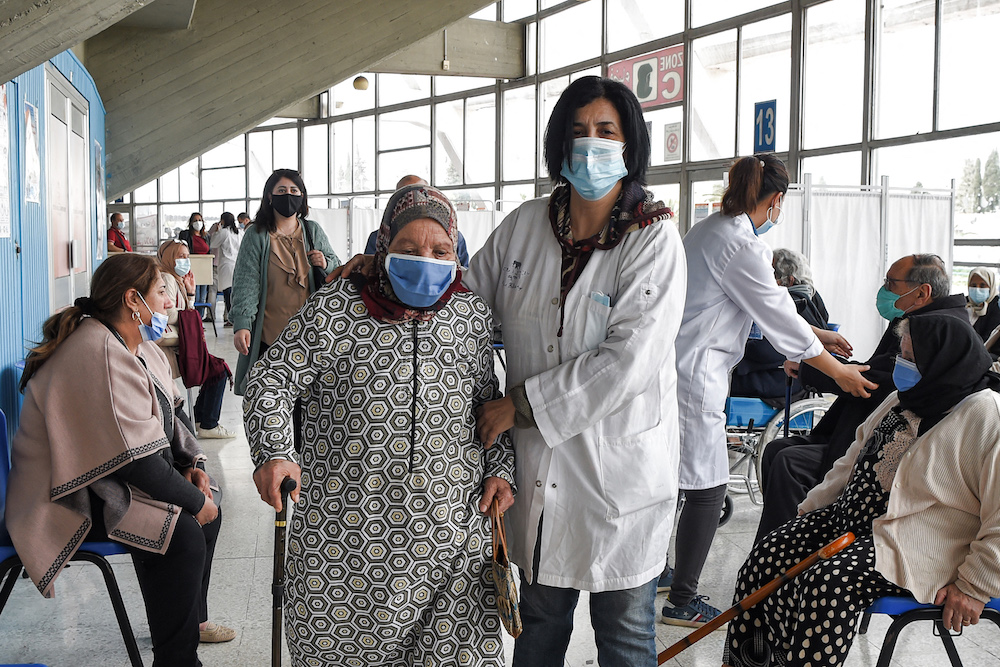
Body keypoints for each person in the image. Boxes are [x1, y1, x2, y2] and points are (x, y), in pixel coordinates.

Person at [245, 185, 515, 666]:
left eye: (440, 251)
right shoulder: (337, 308)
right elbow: (273, 377)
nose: (426, 260)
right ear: (382, 245)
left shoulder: (469, 316)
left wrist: (500, 469)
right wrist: (274, 450)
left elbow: (487, 403)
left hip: (451, 539)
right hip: (344, 545)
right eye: (408, 249)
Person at [664, 154, 875, 628]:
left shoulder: (707, 229)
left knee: (675, 480)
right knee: (707, 485)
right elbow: (777, 318)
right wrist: (839, 372)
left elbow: (766, 305)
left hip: (678, 366)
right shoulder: (742, 246)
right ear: (776, 199)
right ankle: (683, 598)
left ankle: (660, 571)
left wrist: (818, 337)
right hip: (697, 373)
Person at [725, 312, 1000, 667]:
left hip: (916, 543)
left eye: (911, 358)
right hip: (851, 525)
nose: (902, 365)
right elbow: (852, 458)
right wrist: (813, 505)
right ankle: (755, 663)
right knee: (768, 556)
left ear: (941, 361)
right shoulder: (905, 397)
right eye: (902, 354)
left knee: (828, 584)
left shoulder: (986, 416)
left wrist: (974, 587)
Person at [6, 253, 234, 667]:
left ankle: (185, 627)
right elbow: (136, 464)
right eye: (161, 292)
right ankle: (177, 658)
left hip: (101, 476)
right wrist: (194, 500)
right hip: (62, 492)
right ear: (133, 299)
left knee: (202, 514)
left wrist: (193, 467)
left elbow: (171, 414)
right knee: (182, 530)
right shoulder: (98, 352)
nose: (169, 302)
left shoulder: (133, 345)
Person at [754, 254, 966, 543]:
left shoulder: (934, 329)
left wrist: (816, 368)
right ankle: (774, 549)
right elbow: (875, 370)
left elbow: (873, 381)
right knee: (775, 450)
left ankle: (782, 552)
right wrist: (828, 365)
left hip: (891, 442)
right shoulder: (920, 319)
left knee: (789, 462)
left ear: (922, 292)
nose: (884, 290)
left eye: (891, 283)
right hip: (862, 424)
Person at [230, 168, 340, 398]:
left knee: (311, 402)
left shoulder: (312, 230)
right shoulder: (257, 234)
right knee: (270, 398)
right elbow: (246, 282)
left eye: (294, 190)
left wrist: (325, 262)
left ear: (302, 196)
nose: (288, 195)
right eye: (281, 190)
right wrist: (242, 324)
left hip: (311, 335)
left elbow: (336, 266)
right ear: (270, 196)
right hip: (270, 334)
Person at [730, 248, 834, 401]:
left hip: (782, 381)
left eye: (771, 275)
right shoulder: (811, 301)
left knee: (725, 379)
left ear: (790, 280)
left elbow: (764, 352)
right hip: (790, 378)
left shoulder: (793, 305)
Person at [157, 240, 235, 439]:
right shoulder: (167, 278)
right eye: (180, 257)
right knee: (218, 370)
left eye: (187, 256)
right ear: (168, 258)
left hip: (181, 345)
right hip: (172, 349)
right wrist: (190, 313)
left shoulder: (176, 280)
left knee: (216, 369)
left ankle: (202, 419)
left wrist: (190, 293)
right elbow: (168, 313)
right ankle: (207, 423)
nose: (185, 261)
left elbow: (186, 311)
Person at [364, 175, 471, 266]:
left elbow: (464, 272)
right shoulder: (378, 238)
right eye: (408, 251)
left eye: (441, 252)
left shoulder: (454, 238)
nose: (413, 199)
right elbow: (373, 267)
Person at [209, 212, 243, 326]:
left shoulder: (224, 232)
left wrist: (216, 231)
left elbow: (213, 243)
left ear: (222, 221)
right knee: (235, 293)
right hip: (237, 265)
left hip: (226, 265)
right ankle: (235, 318)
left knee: (228, 293)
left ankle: (230, 319)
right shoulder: (239, 232)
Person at [178, 212, 212, 320]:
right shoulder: (186, 235)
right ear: (191, 222)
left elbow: (208, 251)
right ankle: (193, 318)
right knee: (194, 295)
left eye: (200, 220)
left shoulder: (206, 236)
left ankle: (200, 319)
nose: (198, 223)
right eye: (195, 220)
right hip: (192, 268)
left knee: (202, 296)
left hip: (204, 269)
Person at [966, 266, 1000, 342]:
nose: (977, 289)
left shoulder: (996, 306)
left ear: (991, 286)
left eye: (982, 285)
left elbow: (989, 336)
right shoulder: (964, 303)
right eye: (973, 285)